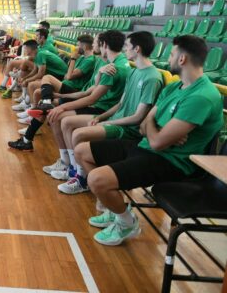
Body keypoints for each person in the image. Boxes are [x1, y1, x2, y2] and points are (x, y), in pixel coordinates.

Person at [76, 35, 223, 246]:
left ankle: (126, 222)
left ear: (182, 59)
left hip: (171, 162)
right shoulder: (173, 87)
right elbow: (145, 124)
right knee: (82, 151)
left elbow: (157, 142)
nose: (168, 58)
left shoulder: (202, 96)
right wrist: (156, 128)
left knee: (97, 179)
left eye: (171, 54)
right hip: (147, 147)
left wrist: (154, 129)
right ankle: (114, 210)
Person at [56, 31, 163, 194]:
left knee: (78, 134)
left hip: (127, 129)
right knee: (73, 128)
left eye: (127, 46)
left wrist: (107, 122)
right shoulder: (134, 72)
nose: (125, 49)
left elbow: (138, 117)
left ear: (137, 49)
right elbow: (121, 103)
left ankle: (81, 178)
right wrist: (101, 117)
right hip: (115, 119)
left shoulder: (152, 77)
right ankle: (80, 175)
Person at [9, 31, 130, 151]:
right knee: (46, 104)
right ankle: (27, 139)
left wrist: (63, 106)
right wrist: (61, 95)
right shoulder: (106, 62)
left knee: (53, 112)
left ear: (104, 44)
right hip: (88, 98)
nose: (93, 45)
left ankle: (66, 162)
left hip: (98, 106)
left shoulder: (110, 67)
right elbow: (90, 90)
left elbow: (89, 96)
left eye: (95, 42)